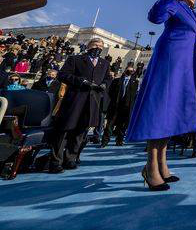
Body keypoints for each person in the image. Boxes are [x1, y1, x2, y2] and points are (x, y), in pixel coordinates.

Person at [126, 0, 196, 191]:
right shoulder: (174, 4)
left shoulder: (194, 15)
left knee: (171, 113)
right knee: (160, 110)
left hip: (186, 66)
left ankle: (162, 164)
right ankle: (151, 167)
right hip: (168, 61)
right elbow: (155, 17)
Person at [49, 38, 109, 174]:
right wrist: (81, 82)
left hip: (92, 101)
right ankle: (55, 161)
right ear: (88, 46)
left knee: (81, 131)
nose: (98, 47)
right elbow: (62, 75)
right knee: (65, 130)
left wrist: (105, 84)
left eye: (100, 46)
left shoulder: (104, 63)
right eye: (95, 45)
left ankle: (71, 158)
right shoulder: (75, 59)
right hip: (75, 99)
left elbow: (106, 78)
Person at [101, 67, 139, 147]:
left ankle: (119, 141)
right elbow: (110, 92)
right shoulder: (116, 81)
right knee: (109, 125)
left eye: (131, 71)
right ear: (125, 70)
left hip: (126, 107)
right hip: (115, 106)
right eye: (128, 70)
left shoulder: (135, 82)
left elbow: (135, 95)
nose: (129, 72)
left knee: (122, 126)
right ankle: (104, 141)